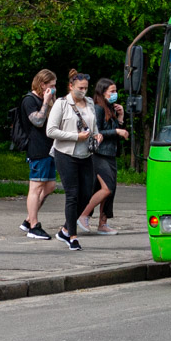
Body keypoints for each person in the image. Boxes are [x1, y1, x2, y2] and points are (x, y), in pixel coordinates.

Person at [46, 70, 102, 251]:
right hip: (65, 153)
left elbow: (93, 127)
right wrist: (75, 136)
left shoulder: (90, 103)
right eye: (80, 88)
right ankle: (72, 236)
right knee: (72, 194)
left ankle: (64, 229)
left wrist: (97, 135)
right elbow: (51, 131)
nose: (83, 91)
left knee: (86, 195)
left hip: (85, 154)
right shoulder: (62, 104)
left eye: (86, 88)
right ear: (71, 86)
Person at [78, 78, 129, 235]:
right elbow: (96, 132)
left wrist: (120, 119)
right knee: (106, 188)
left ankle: (103, 223)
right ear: (102, 92)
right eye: (111, 91)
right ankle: (83, 215)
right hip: (99, 154)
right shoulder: (98, 109)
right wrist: (117, 131)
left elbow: (114, 131)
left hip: (110, 154)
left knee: (111, 189)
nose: (115, 94)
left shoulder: (110, 108)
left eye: (115, 91)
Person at [18, 70, 57, 240]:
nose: (54, 89)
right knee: (36, 187)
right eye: (52, 85)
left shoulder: (46, 100)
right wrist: (46, 102)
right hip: (37, 148)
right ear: (43, 85)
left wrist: (51, 102)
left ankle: (28, 219)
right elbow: (38, 121)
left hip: (49, 148)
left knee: (50, 186)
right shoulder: (29, 100)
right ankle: (34, 225)